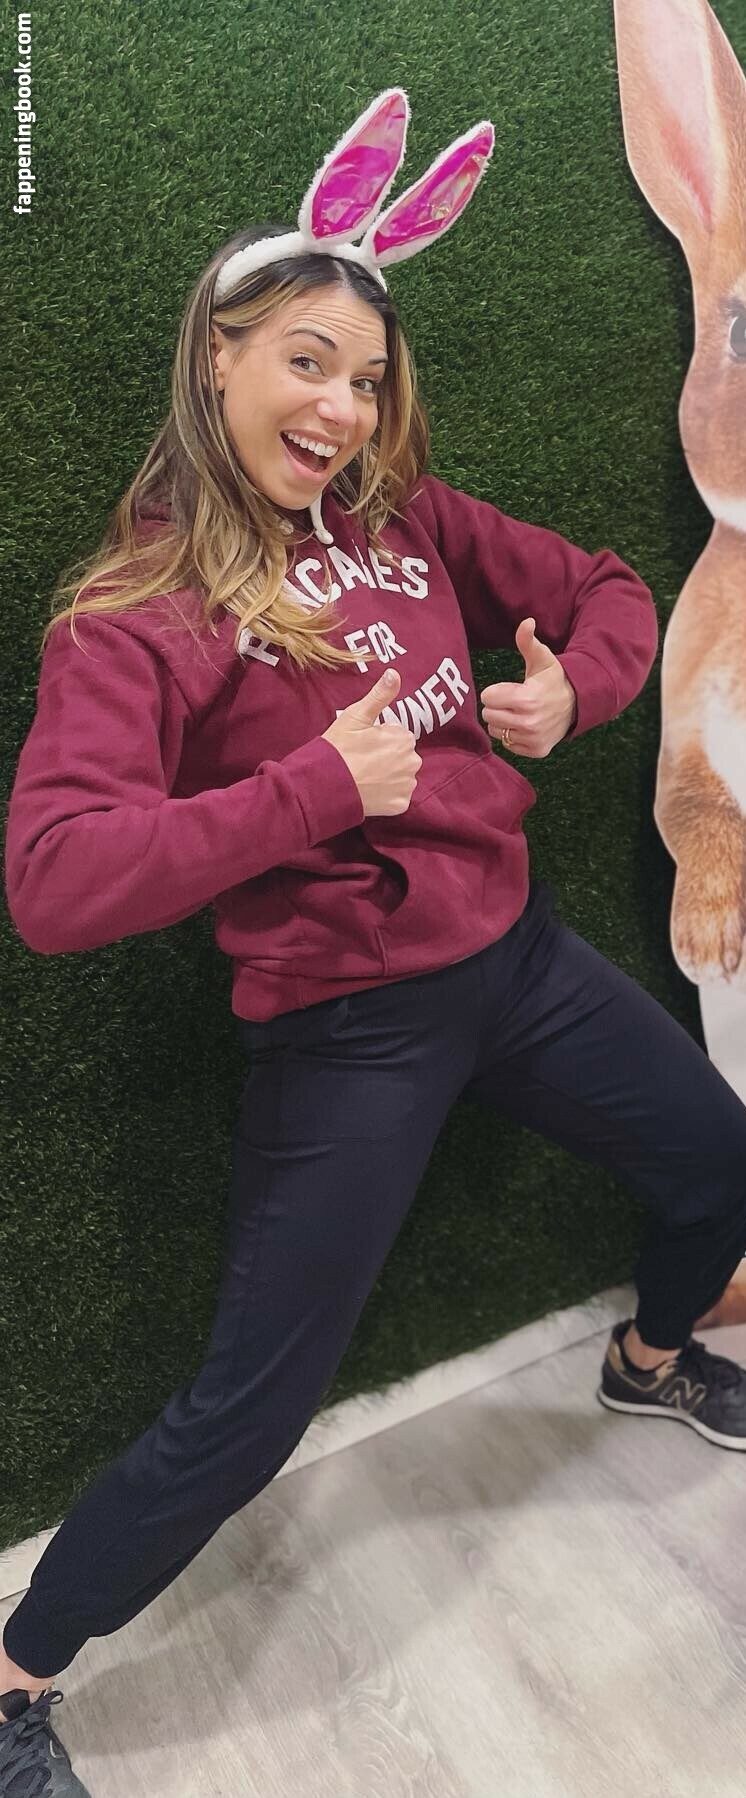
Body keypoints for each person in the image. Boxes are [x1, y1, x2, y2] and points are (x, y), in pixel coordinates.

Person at [4, 87, 746, 1798]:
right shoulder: (140, 609)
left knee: (720, 1157)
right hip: (348, 1022)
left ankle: (646, 1358)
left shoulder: (402, 519)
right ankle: (15, 1672)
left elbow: (608, 584)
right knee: (250, 1407)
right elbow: (52, 880)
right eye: (305, 363)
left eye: (364, 378)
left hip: (520, 962)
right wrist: (313, 791)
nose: (340, 407)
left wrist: (575, 689)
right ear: (217, 360)